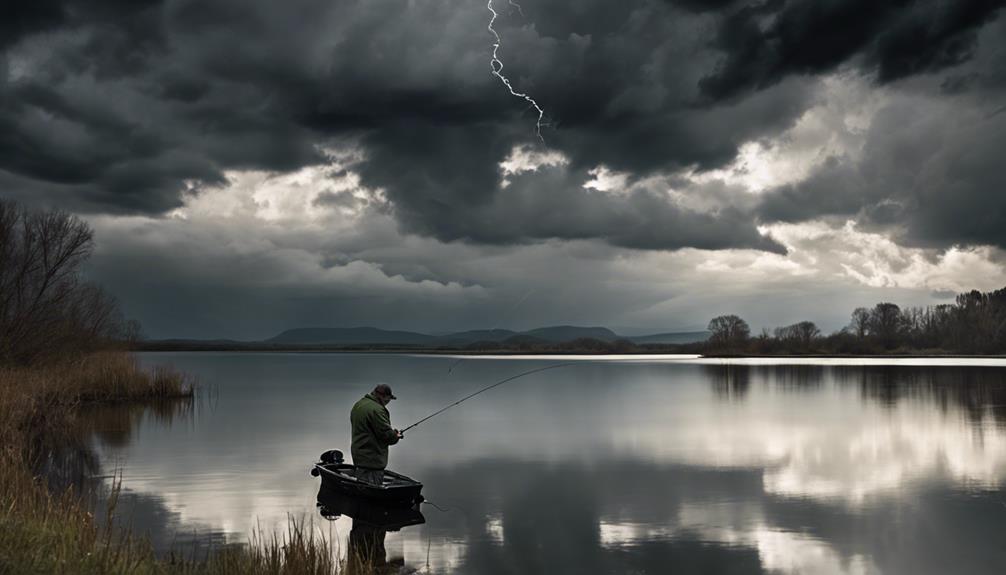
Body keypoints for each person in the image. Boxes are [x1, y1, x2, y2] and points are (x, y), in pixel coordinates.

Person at [350, 383, 402, 485]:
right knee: (371, 489)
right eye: (388, 399)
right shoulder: (377, 410)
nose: (388, 402)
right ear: (382, 396)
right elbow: (386, 436)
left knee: (362, 486)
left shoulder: (359, 404)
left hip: (359, 455)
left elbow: (370, 429)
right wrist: (395, 436)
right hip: (372, 460)